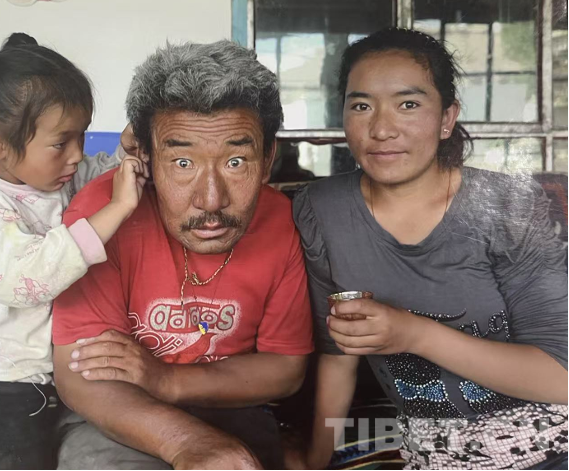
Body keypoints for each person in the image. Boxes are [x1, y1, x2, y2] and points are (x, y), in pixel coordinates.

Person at [291, 28, 568, 470]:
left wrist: (414, 335)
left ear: (446, 118)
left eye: (408, 104)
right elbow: (339, 356)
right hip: (432, 457)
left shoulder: (508, 207)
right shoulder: (322, 210)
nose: (381, 129)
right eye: (361, 106)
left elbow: (561, 376)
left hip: (550, 448)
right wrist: (315, 462)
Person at [51, 40, 314, 470]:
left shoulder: (282, 223)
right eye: (183, 163)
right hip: (114, 412)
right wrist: (183, 441)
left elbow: (286, 368)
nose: (211, 200)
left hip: (232, 405)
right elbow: (80, 375)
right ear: (146, 157)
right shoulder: (101, 217)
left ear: (267, 159)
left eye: (235, 162)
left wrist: (168, 380)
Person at [0, 33, 146, 470]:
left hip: (50, 380)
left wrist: (124, 153)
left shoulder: (50, 175)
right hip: (2, 394)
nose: (76, 155)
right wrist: (116, 209)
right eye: (61, 142)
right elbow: (28, 278)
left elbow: (95, 174)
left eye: (82, 136)